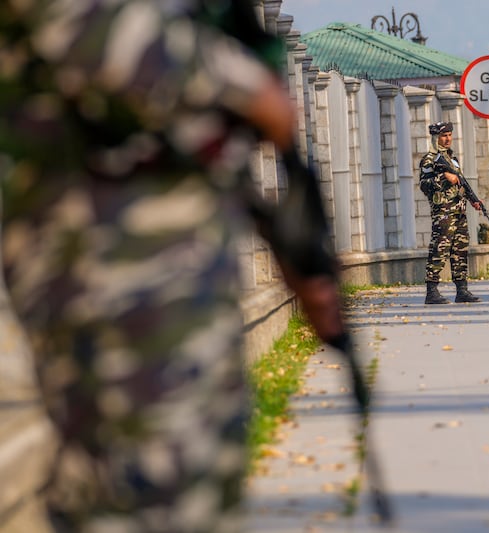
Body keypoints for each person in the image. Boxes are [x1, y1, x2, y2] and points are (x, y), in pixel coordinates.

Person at [0, 1, 349, 531]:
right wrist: (244, 86)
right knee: (146, 486)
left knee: (195, 476)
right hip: (101, 231)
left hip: (162, 227)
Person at [419, 121, 483, 304]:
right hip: (443, 213)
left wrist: (473, 200)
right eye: (443, 136)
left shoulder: (452, 159)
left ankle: (462, 290)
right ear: (435, 137)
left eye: (449, 135)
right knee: (439, 249)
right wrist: (443, 177)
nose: (447, 139)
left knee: (460, 250)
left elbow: (460, 184)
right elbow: (425, 186)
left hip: (459, 211)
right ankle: (431, 291)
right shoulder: (429, 160)